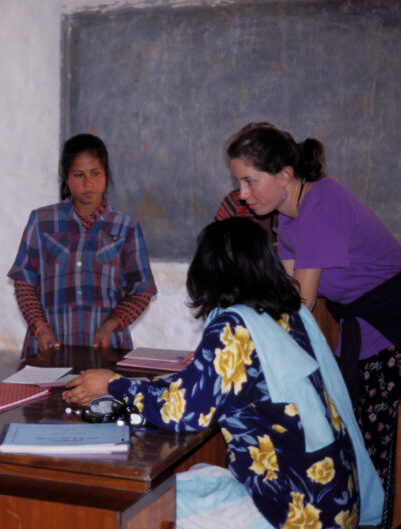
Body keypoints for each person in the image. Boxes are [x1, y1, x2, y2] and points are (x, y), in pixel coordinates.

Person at [64, 217, 383, 529]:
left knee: (144, 510)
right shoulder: (286, 312)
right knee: (198, 476)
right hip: (333, 500)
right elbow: (215, 385)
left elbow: (185, 412)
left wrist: (114, 384)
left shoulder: (236, 326)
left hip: (298, 512)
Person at [225, 122, 401, 517]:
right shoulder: (288, 214)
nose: (242, 194)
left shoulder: (322, 203)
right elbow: (287, 295)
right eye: (239, 183)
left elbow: (299, 302)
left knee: (378, 458)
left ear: (285, 174)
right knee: (360, 450)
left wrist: (236, 337)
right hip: (363, 335)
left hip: (390, 333)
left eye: (250, 182)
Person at [8, 133, 157, 358]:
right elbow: (24, 283)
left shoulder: (126, 228)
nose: (88, 183)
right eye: (79, 175)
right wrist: (40, 327)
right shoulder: (42, 221)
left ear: (106, 174)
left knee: (104, 395)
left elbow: (141, 291)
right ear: (66, 178)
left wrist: (111, 325)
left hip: (108, 351)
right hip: (49, 349)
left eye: (95, 173)